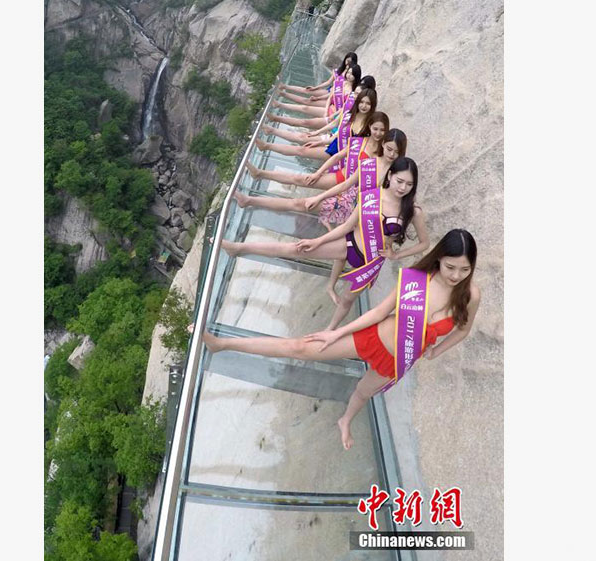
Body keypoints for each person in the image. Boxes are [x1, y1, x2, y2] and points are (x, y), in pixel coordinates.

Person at [201, 229, 481, 450]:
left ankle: (345, 420)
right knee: (299, 348)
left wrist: (437, 351)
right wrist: (337, 332)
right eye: (451, 267)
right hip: (372, 337)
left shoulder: (470, 295)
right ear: (439, 259)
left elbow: (463, 330)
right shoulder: (417, 279)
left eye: (465, 269)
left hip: (395, 361)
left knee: (362, 392)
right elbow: (378, 313)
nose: (457, 275)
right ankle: (223, 344)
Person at [224, 157, 429, 330]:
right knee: (296, 249)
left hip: (370, 262)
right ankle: (239, 247)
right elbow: (347, 226)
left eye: (409, 184)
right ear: (390, 175)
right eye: (400, 181)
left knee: (347, 300)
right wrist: (317, 240)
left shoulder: (412, 211)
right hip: (349, 245)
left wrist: (396, 255)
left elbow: (424, 243)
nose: (403, 188)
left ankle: (330, 330)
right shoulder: (370, 196)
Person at [235, 112, 396, 229]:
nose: (378, 133)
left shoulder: (386, 152)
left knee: (300, 204)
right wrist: (318, 173)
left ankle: (250, 199)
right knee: (300, 180)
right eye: (375, 128)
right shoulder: (359, 141)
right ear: (369, 127)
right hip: (341, 178)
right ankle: (260, 175)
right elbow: (337, 156)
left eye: (382, 130)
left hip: (354, 195)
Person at [254, 89, 377, 163]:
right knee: (302, 146)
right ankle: (267, 144)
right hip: (335, 144)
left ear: (373, 105)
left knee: (302, 143)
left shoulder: (370, 125)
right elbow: (338, 131)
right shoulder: (350, 114)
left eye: (368, 103)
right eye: (361, 101)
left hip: (345, 155)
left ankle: (269, 139)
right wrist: (318, 138)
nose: (363, 106)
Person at [268, 64, 361, 129]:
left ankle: (275, 120)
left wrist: (333, 115)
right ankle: (278, 109)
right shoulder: (342, 82)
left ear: (356, 76)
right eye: (348, 72)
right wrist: (325, 108)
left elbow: (345, 108)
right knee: (305, 108)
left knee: (306, 122)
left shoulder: (355, 91)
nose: (349, 75)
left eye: (352, 74)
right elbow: (331, 96)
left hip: (336, 116)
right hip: (329, 109)